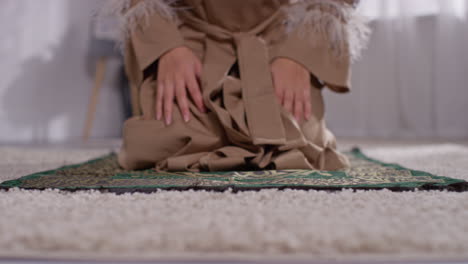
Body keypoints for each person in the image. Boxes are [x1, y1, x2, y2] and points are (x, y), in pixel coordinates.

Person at [104, 0, 370, 172]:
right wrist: (167, 48)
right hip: (187, 42)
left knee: (301, 142)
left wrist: (299, 54)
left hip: (280, 46)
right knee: (160, 140)